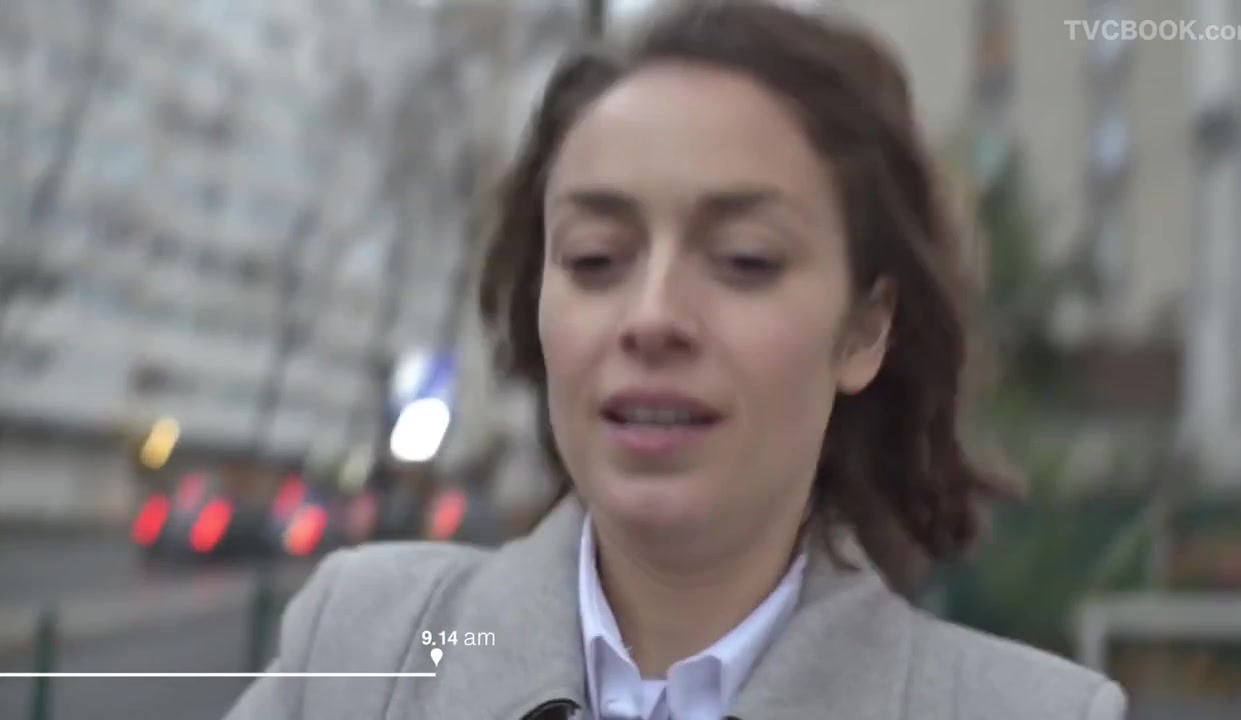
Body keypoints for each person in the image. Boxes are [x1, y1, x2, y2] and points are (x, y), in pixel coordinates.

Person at [224, 1, 1127, 718]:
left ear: (863, 330)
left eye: (744, 260)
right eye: (596, 260)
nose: (652, 318)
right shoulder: (366, 649)